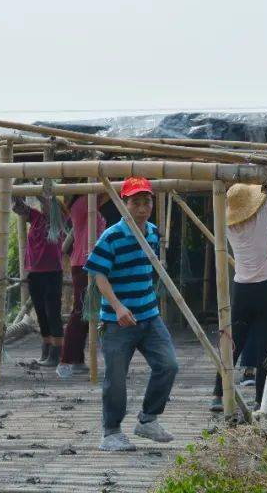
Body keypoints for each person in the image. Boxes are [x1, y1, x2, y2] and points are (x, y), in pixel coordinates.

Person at [84, 177, 178, 452]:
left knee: (169, 365)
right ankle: (110, 432)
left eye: (146, 201)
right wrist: (117, 306)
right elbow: (97, 273)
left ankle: (148, 419)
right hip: (117, 321)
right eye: (135, 202)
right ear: (124, 205)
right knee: (116, 378)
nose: (142, 207)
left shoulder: (152, 232)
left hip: (149, 315)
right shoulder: (112, 236)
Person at [208, 180, 267, 412]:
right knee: (265, 345)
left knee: (233, 342)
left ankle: (218, 394)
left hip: (242, 288)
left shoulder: (228, 226)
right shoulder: (261, 214)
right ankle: (261, 399)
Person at [12, 195, 66, 367]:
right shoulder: (36, 217)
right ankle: (46, 348)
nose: (45, 208)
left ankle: (57, 352)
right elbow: (18, 207)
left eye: (48, 206)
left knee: (53, 313)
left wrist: (41, 191)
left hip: (52, 273)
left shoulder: (59, 221)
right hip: (34, 273)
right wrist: (14, 191)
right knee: (41, 313)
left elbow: (50, 204)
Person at [56, 193, 105, 379]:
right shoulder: (84, 202)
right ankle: (67, 359)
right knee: (81, 311)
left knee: (85, 312)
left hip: (91, 263)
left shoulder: (90, 204)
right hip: (85, 264)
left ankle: (75, 359)